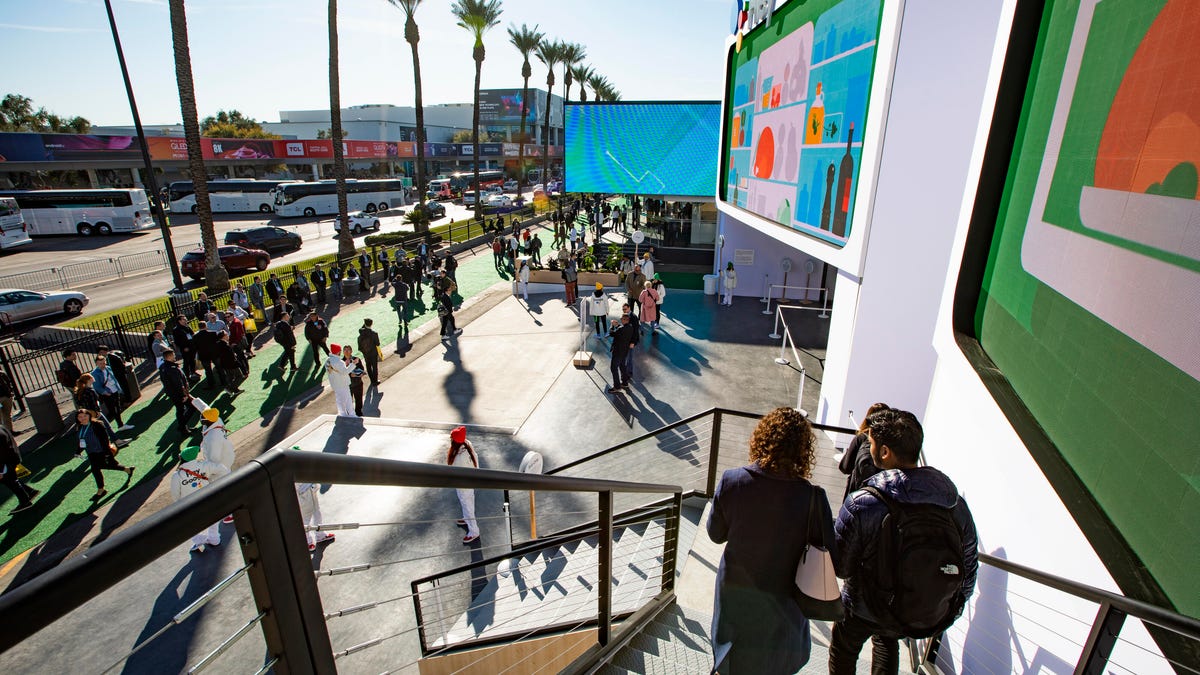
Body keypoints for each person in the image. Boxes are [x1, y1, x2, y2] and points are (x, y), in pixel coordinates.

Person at [830, 409, 979, 675]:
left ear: (885, 452)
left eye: (872, 443)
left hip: (863, 606)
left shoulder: (864, 502)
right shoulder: (954, 505)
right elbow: (968, 563)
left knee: (844, 649)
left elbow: (840, 566)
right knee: (887, 645)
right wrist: (948, 605)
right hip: (906, 608)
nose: (870, 447)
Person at [707, 407, 833, 674]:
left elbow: (715, 534)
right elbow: (831, 556)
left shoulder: (733, 481)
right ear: (803, 450)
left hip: (737, 601)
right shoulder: (814, 498)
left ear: (761, 439)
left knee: (732, 661)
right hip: (785, 607)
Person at [169, 444, 228, 553]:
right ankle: (214, 539)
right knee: (213, 519)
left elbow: (175, 495)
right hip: (208, 499)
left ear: (182, 458)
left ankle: (199, 539)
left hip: (189, 506)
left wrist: (180, 506)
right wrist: (214, 482)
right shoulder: (204, 465)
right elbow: (223, 470)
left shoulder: (177, 475)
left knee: (188, 525)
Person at [74, 408, 134, 500]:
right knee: (100, 467)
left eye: (85, 416)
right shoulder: (80, 428)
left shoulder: (97, 425)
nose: (83, 418)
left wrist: (107, 454)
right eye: (80, 417)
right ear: (77, 418)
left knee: (96, 469)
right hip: (91, 453)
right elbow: (82, 442)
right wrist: (78, 452)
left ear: (89, 415)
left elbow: (105, 440)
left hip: (101, 451)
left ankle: (101, 490)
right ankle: (127, 469)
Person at [838, 403, 891, 503]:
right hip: (882, 499)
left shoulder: (861, 438)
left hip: (856, 494)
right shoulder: (891, 443)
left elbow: (845, 467)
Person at [446, 426, 480, 543]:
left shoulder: (459, 457)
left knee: (467, 505)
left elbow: (453, 472)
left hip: (463, 485)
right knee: (468, 502)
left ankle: (474, 532)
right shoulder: (467, 443)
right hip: (469, 482)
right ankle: (466, 518)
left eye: (451, 438)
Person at [1, 425, 38, 513]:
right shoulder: (1, 427)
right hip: (12, 457)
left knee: (8, 479)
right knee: (10, 478)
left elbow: (1, 453)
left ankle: (25, 501)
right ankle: (29, 491)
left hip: (7, 461)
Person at [91, 355, 132, 431]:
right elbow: (97, 386)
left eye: (103, 363)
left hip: (114, 390)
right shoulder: (95, 373)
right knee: (113, 409)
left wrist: (118, 389)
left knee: (117, 407)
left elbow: (114, 379)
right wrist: (106, 393)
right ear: (96, 363)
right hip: (107, 393)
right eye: (100, 363)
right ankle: (120, 425)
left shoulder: (108, 368)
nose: (102, 365)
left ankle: (120, 424)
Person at [159, 349, 195, 436]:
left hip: (173, 394)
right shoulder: (172, 368)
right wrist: (184, 395)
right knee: (190, 407)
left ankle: (183, 427)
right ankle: (182, 427)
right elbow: (178, 383)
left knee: (180, 410)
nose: (174, 356)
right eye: (173, 354)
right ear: (169, 356)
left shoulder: (163, 366)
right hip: (179, 394)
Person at [297, 481, 335, 552]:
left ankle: (320, 535)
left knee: (317, 513)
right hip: (303, 494)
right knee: (306, 519)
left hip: (311, 491)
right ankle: (308, 542)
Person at [606, 314, 637, 394]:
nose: (620, 319)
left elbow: (612, 333)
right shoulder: (630, 328)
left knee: (613, 368)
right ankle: (624, 383)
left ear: (625, 320)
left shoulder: (621, 329)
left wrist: (612, 325)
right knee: (622, 366)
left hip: (617, 352)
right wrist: (618, 325)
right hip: (625, 351)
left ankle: (617, 387)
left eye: (622, 319)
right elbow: (621, 330)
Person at [325, 344, 355, 417]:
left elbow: (337, 369)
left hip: (335, 384)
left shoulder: (327, 360)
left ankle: (342, 413)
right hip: (342, 383)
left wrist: (345, 364)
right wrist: (353, 364)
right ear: (338, 351)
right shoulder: (338, 361)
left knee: (339, 399)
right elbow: (345, 372)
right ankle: (351, 414)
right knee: (347, 400)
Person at [343, 345, 366, 417]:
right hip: (347, 385)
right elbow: (341, 373)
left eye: (348, 350)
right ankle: (349, 414)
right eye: (345, 350)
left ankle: (358, 412)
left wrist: (358, 374)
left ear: (351, 351)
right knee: (348, 401)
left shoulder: (356, 359)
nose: (346, 352)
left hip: (357, 383)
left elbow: (361, 369)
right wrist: (350, 374)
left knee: (359, 400)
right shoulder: (341, 362)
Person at [358, 318, 382, 385]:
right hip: (373, 353)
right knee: (374, 367)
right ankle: (375, 380)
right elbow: (378, 344)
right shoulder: (374, 334)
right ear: (372, 324)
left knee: (368, 366)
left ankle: (372, 381)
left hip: (365, 353)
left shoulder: (361, 332)